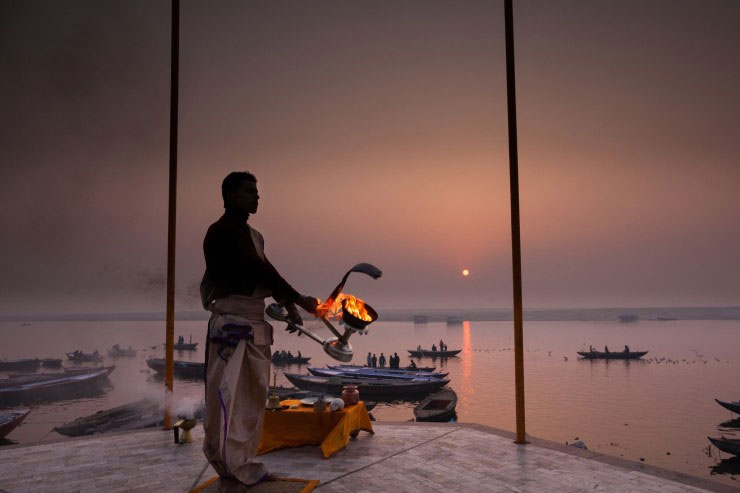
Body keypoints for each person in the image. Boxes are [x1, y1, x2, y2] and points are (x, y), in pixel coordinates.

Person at [201, 171, 318, 487]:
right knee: (230, 399)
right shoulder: (222, 232)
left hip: (253, 325)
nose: (257, 196)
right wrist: (298, 298)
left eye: (257, 191)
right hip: (233, 327)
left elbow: (266, 270)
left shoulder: (252, 235)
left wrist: (289, 304)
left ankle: (243, 466)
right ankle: (232, 467)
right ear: (230, 196)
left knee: (252, 400)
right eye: (250, 191)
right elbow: (254, 269)